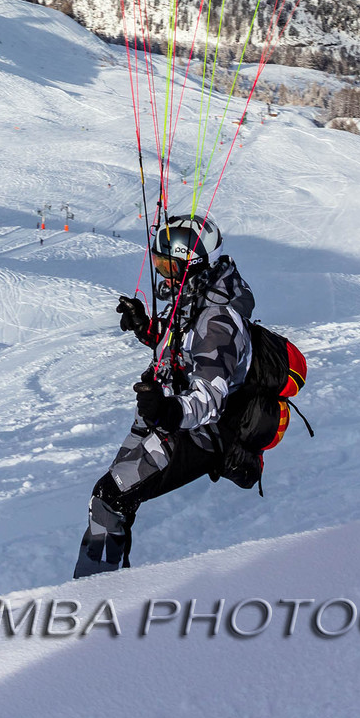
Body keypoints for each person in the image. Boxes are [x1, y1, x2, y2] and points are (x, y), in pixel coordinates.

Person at [73, 214, 257, 578]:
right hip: (164, 418)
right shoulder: (200, 294)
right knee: (114, 499)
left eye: (167, 264)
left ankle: (93, 591)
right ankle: (105, 582)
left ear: (192, 263)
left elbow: (210, 398)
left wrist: (168, 410)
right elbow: (185, 347)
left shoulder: (217, 321)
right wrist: (147, 328)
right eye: (157, 262)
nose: (161, 272)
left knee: (109, 498)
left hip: (199, 432)